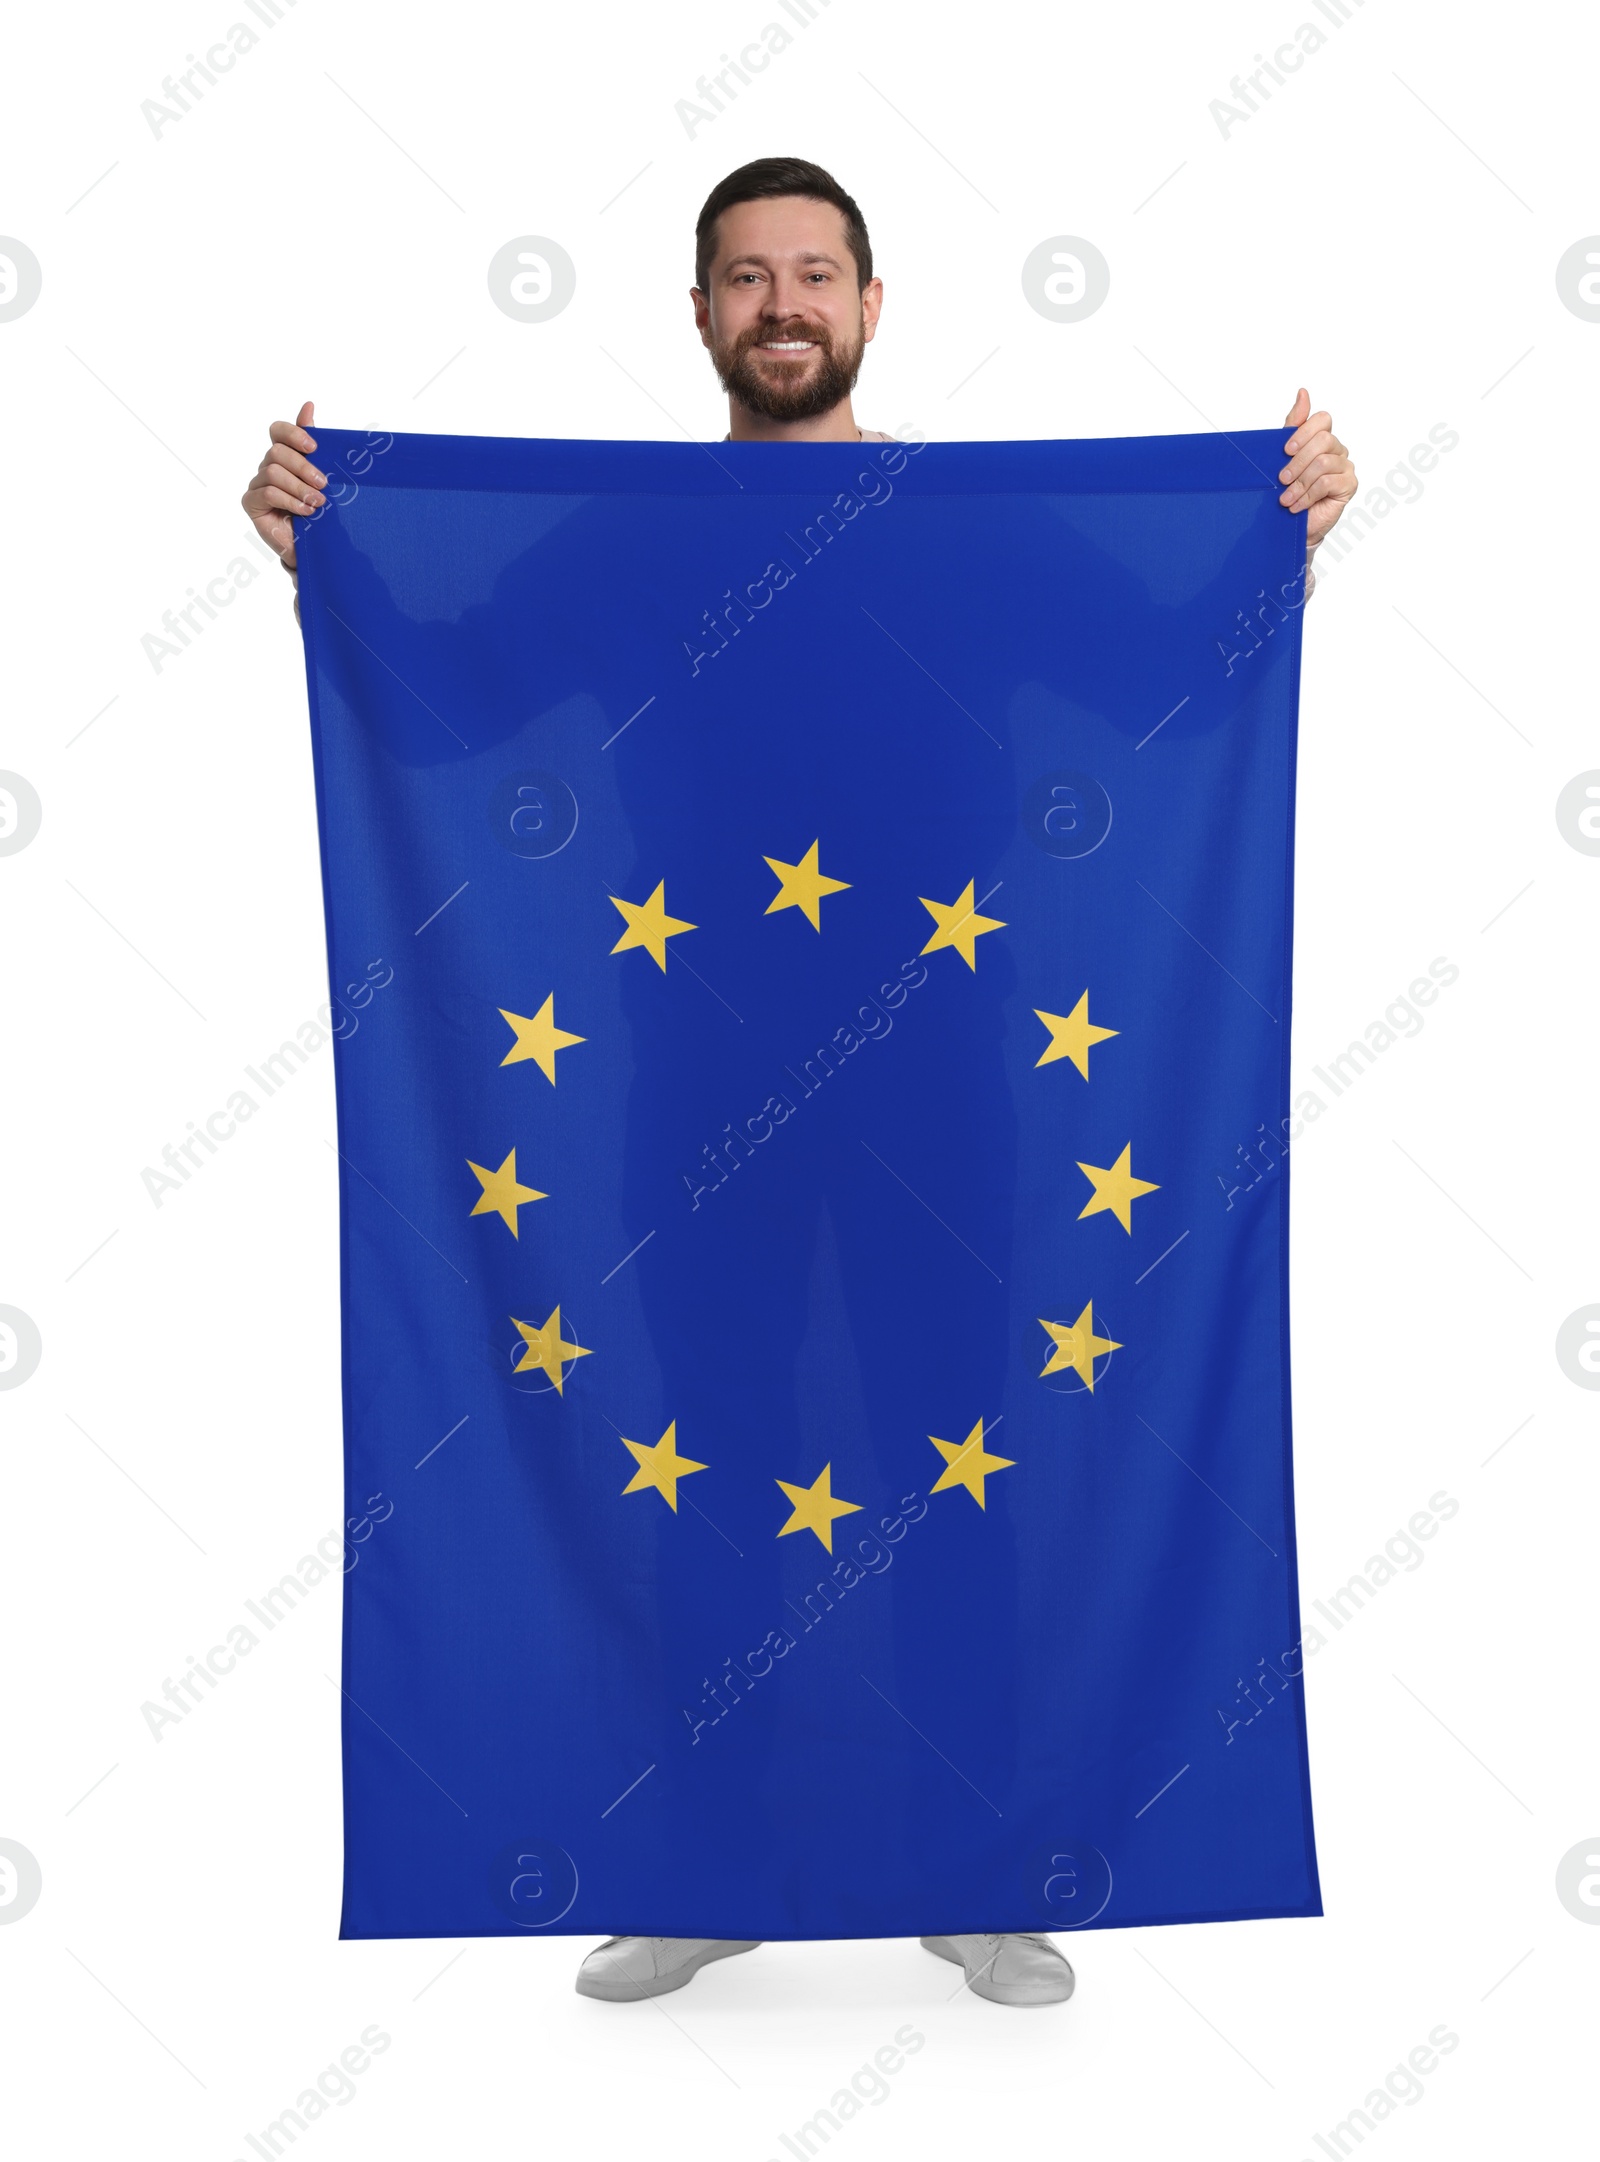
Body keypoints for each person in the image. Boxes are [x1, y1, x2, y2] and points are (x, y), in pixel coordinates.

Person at [242, 156, 1357, 2010]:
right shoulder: (625, 536)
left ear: (870, 303)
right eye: (746, 277)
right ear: (698, 313)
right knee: (707, 1464)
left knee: (954, 1470)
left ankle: (987, 1871)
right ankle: (695, 1866)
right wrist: (319, 552)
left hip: (947, 1090)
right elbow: (442, 691)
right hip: (696, 1099)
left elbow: (1171, 669)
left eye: (815, 273)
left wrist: (1288, 528)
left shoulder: (974, 532)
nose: (783, 304)